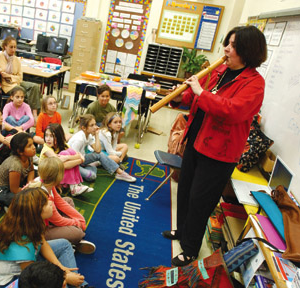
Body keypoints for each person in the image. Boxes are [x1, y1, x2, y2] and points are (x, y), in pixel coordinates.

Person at [162, 26, 267, 267]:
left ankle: (190, 249)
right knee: (185, 191)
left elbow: (232, 111)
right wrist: (182, 96)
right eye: (227, 43)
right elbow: (195, 96)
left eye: (232, 45)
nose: (226, 49)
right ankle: (182, 231)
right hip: (197, 141)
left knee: (201, 201)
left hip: (220, 154)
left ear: (247, 51)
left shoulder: (254, 84)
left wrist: (200, 92)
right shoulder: (220, 69)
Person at [0, 187, 86, 287]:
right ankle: (79, 284)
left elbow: (43, 243)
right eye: (46, 203)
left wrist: (62, 268)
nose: (50, 202)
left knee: (64, 244)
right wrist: (64, 277)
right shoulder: (24, 246)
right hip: (16, 279)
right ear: (36, 212)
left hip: (27, 262)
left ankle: (79, 284)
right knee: (55, 282)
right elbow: (34, 277)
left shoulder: (30, 224)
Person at [29, 158, 96, 254]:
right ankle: (70, 242)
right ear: (58, 177)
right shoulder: (45, 199)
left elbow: (60, 202)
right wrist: (77, 223)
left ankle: (68, 238)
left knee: (68, 200)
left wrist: (79, 219)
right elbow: (59, 220)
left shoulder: (47, 183)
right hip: (39, 231)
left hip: (49, 219)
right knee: (77, 233)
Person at [0, 36, 41, 120]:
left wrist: (10, 76)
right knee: (22, 91)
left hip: (15, 81)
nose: (13, 50)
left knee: (35, 87)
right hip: (5, 85)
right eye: (11, 47)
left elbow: (20, 77)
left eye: (15, 47)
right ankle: (24, 114)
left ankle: (34, 114)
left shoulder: (16, 59)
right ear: (5, 47)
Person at [68, 114, 136, 183]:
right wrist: (83, 162)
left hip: (82, 159)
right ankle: (73, 173)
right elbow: (73, 158)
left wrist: (97, 134)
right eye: (92, 125)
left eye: (95, 124)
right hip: (73, 163)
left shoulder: (89, 135)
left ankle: (120, 173)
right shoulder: (79, 139)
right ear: (84, 128)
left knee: (99, 155)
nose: (95, 127)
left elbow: (98, 150)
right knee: (92, 177)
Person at [41, 123, 91, 196]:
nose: (48, 139)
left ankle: (75, 185)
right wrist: (80, 160)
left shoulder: (64, 145)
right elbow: (62, 164)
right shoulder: (46, 149)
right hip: (48, 175)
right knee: (64, 153)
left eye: (51, 136)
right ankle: (73, 186)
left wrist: (68, 157)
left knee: (69, 152)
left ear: (58, 136)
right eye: (46, 135)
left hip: (58, 172)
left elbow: (76, 154)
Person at [0, 133, 35, 206]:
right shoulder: (15, 165)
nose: (34, 147)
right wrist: (29, 190)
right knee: (26, 200)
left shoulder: (28, 156)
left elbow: (31, 170)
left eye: (33, 144)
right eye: (29, 146)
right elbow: (14, 190)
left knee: (41, 176)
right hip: (2, 190)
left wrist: (30, 182)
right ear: (20, 152)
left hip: (16, 183)